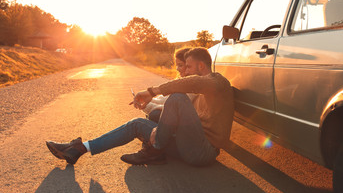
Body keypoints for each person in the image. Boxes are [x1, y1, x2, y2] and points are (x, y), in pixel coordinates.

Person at [46, 47, 234, 166]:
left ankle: (155, 147)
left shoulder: (218, 83)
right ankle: (79, 149)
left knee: (176, 98)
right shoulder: (197, 91)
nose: (184, 72)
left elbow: (192, 84)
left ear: (201, 67)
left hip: (203, 151)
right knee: (138, 123)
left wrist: (151, 91)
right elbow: (178, 112)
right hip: (188, 145)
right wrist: (156, 116)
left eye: (188, 68)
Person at [143, 47, 190, 123]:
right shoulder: (179, 81)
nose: (177, 69)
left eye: (180, 65)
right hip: (175, 117)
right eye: (176, 65)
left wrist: (149, 106)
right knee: (151, 115)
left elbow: (172, 108)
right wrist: (148, 101)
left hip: (182, 121)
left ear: (188, 65)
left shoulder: (190, 86)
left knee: (154, 115)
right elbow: (164, 99)